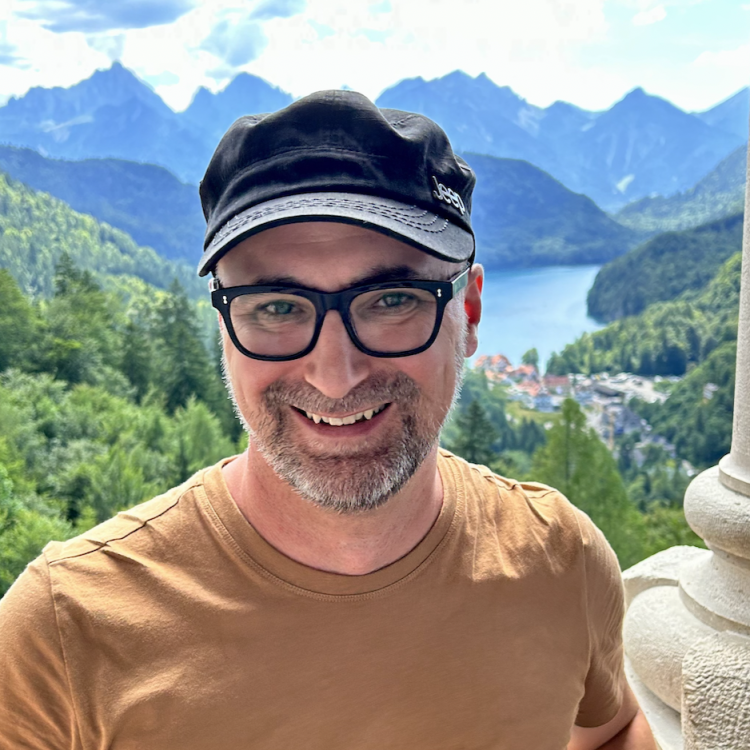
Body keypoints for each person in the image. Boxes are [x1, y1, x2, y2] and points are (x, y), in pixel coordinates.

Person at [0, 90, 656, 749]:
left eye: (392, 299)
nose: (334, 374)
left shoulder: (560, 564)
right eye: (277, 308)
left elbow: (613, 730)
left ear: (471, 313)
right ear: (225, 328)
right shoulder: (64, 633)